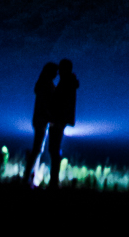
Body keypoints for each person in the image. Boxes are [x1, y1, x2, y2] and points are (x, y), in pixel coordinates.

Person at [25, 62, 58, 186]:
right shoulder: (46, 85)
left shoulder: (43, 84)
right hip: (42, 120)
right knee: (37, 149)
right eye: (55, 71)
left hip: (40, 119)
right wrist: (50, 116)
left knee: (37, 149)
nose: (56, 74)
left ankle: (29, 177)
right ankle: (28, 178)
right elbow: (45, 103)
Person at [48, 57, 79, 187]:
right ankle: (53, 180)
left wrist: (55, 119)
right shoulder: (69, 82)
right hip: (60, 120)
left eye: (61, 68)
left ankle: (53, 181)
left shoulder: (66, 82)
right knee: (54, 150)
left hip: (58, 120)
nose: (58, 71)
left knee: (53, 150)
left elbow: (60, 102)